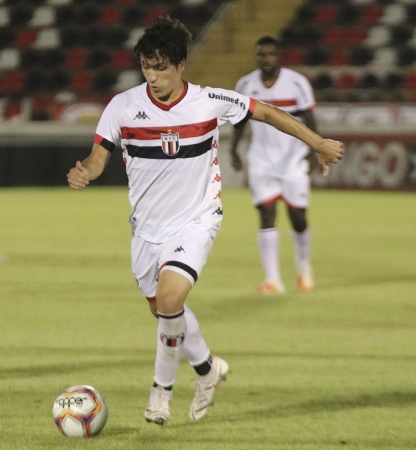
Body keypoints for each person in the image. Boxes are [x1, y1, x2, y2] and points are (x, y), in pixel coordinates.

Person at [67, 17, 343, 425]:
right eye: (146, 66)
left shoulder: (209, 100)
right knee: (165, 311)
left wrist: (317, 142)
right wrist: (86, 171)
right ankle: (208, 369)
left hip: (196, 219)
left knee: (170, 301)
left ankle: (160, 394)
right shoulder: (123, 106)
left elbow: (266, 112)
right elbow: (98, 155)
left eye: (161, 67)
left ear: (180, 65)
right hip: (146, 229)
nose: (153, 76)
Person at [230, 35, 319, 294]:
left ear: (278, 56)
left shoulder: (297, 83)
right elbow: (239, 122)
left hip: (293, 159)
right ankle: (273, 279)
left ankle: (303, 266)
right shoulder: (245, 84)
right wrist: (235, 150)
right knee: (266, 214)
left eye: (269, 54)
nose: (265, 58)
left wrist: (315, 150)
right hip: (261, 159)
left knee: (297, 216)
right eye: (260, 54)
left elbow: (310, 118)